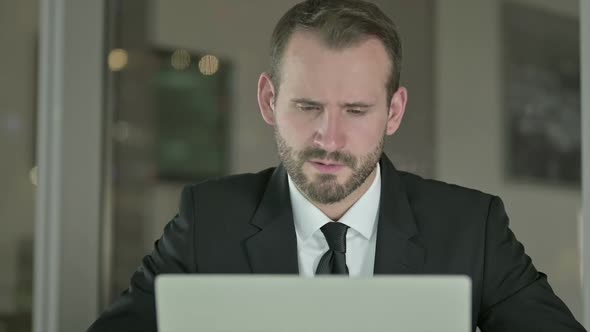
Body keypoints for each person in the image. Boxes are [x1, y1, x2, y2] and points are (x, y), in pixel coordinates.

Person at [87, 0, 586, 331]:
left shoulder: (471, 228)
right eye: (307, 107)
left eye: (355, 110)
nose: (329, 138)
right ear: (268, 100)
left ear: (393, 112)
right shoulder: (205, 220)